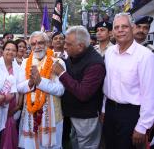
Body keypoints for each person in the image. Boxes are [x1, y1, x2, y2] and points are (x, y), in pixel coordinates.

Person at [102, 13, 154, 149]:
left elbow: (149, 94)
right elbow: (107, 84)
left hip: (131, 114)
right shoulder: (109, 53)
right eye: (116, 27)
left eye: (124, 26)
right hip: (110, 110)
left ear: (133, 28)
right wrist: (103, 109)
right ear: (113, 31)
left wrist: (142, 126)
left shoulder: (145, 55)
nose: (120, 30)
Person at [52, 26, 105, 149]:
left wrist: (61, 73)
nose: (64, 46)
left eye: (68, 44)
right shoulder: (75, 54)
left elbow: (83, 93)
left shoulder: (95, 64)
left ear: (80, 46)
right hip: (74, 114)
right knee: (75, 143)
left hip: (86, 117)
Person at [18, 31, 65, 149]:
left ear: (47, 43)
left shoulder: (57, 62)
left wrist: (40, 82)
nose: (37, 46)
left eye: (40, 43)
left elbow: (60, 90)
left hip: (52, 114)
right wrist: (30, 83)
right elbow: (19, 87)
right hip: (30, 113)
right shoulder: (25, 63)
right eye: (33, 44)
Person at [0, 40, 22, 149]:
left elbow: (21, 91)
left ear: (16, 53)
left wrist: (17, 107)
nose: (10, 52)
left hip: (12, 111)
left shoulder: (19, 69)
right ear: (2, 51)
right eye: (8, 49)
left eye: (13, 50)